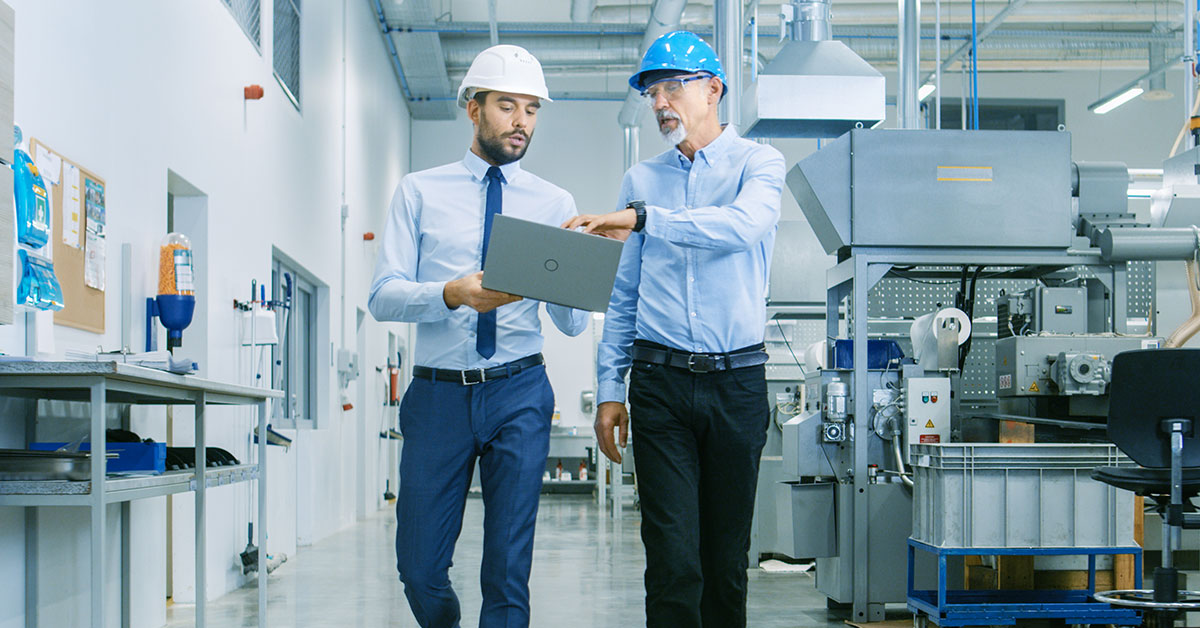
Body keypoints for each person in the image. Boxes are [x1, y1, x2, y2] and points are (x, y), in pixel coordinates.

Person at [563, 30, 786, 628]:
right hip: (659, 383)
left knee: (725, 559)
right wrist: (610, 389)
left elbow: (739, 227)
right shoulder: (641, 178)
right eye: (651, 92)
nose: (659, 103)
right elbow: (625, 294)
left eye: (671, 88)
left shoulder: (759, 164)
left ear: (712, 90)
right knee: (672, 558)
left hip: (737, 384)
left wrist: (643, 220)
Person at [368, 44, 587, 628]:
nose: (521, 122)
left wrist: (582, 272)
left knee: (508, 570)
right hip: (439, 395)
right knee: (419, 568)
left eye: (532, 110)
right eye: (507, 106)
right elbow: (383, 294)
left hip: (520, 389)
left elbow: (571, 323)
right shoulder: (420, 191)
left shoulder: (554, 203)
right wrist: (451, 293)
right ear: (473, 108)